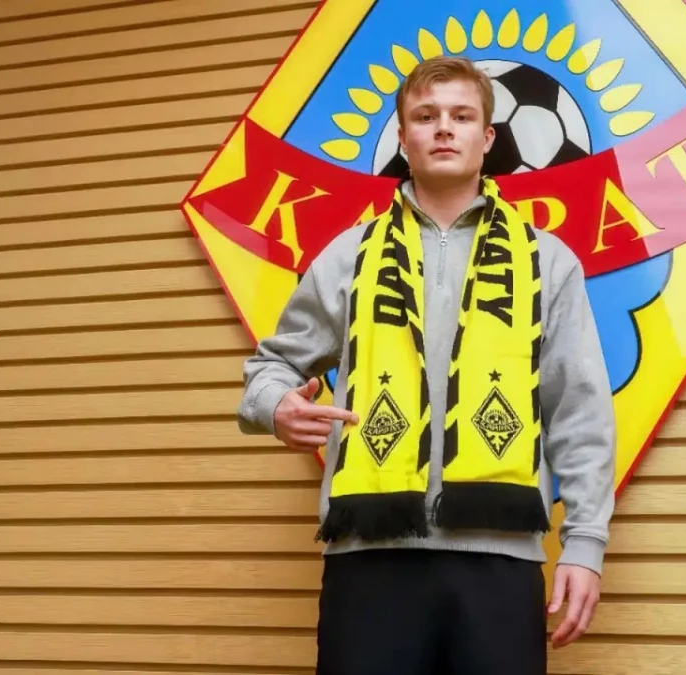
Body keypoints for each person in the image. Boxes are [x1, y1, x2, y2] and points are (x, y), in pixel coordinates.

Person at [237, 55, 616, 675]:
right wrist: (273, 404)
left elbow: (579, 409)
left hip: (502, 560)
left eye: (461, 116)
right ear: (403, 137)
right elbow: (273, 365)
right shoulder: (348, 256)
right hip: (369, 560)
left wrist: (585, 543)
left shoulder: (547, 261)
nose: (443, 127)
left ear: (487, 138)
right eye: (426, 116)